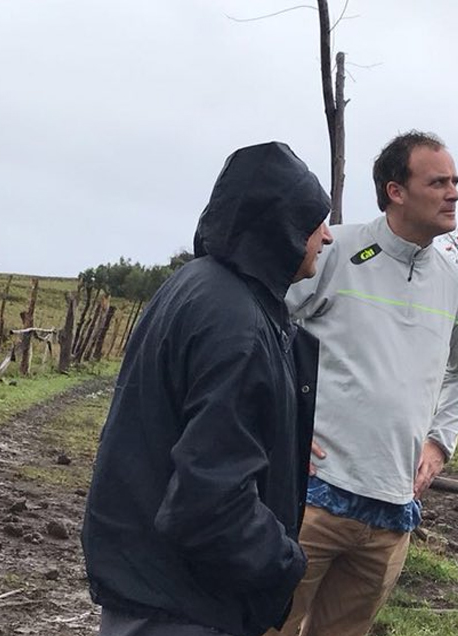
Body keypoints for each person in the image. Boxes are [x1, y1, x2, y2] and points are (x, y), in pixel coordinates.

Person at [82, 141, 334, 636]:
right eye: (313, 221)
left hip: (148, 583)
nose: (326, 237)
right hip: (182, 603)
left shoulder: (196, 286)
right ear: (280, 224)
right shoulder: (237, 323)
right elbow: (210, 500)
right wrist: (288, 562)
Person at [269, 130, 458, 636]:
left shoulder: (455, 284)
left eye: (456, 181)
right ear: (396, 190)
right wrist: (282, 428)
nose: (454, 192)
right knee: (267, 625)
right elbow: (267, 331)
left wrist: (439, 442)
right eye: (438, 182)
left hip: (391, 515)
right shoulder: (335, 250)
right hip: (311, 498)